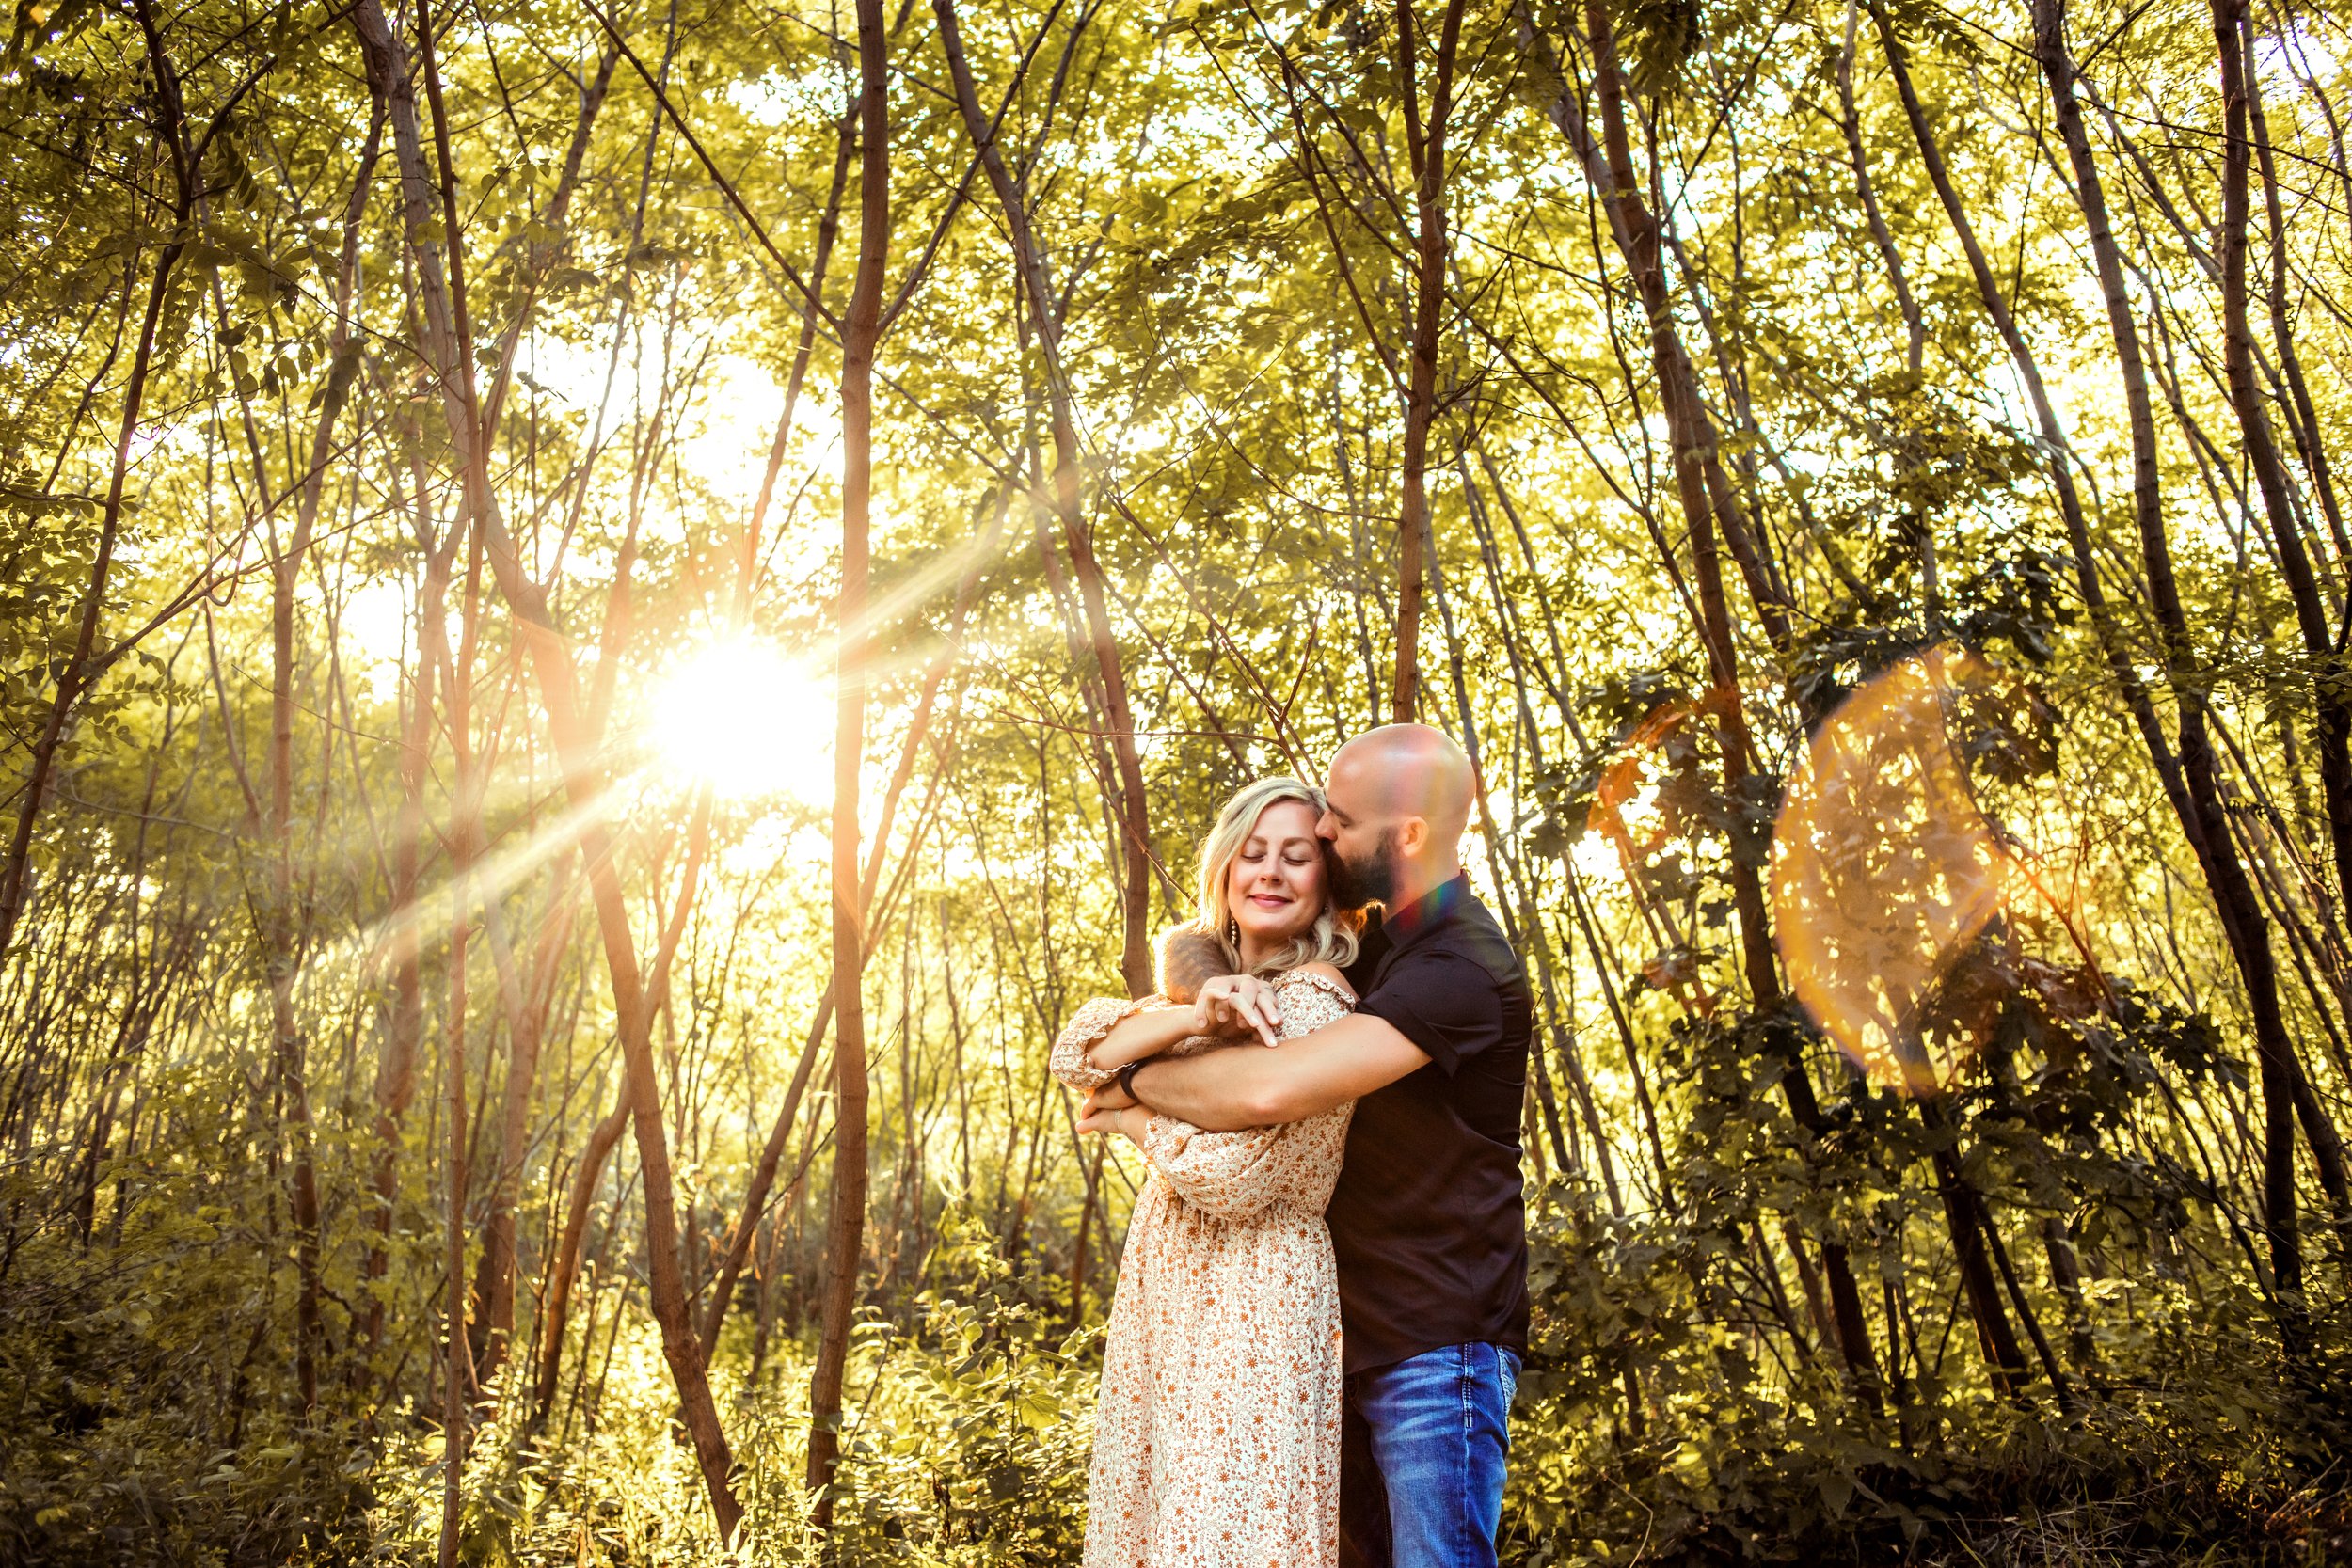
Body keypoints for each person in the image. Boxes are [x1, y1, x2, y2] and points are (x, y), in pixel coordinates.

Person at [1083, 723, 1533, 1568]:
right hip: (1338, 1331)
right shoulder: (1378, 945)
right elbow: (1216, 962)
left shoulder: (1460, 966)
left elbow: (1268, 1087)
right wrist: (1189, 996)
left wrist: (1135, 1090)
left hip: (1436, 1338)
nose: (1323, 832)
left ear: (1406, 836)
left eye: (1337, 820)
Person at [1050, 776, 1365, 1567]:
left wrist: (1130, 1114)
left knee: (1228, 1528)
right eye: (1253, 853)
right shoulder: (1202, 988)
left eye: (1295, 857)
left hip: (1257, 1285)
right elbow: (1073, 1051)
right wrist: (1194, 1013)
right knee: (1157, 1521)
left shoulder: (1317, 1001)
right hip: (1171, 1283)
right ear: (1224, 869)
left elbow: (1238, 1177)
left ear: (1325, 882)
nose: (1270, 871)